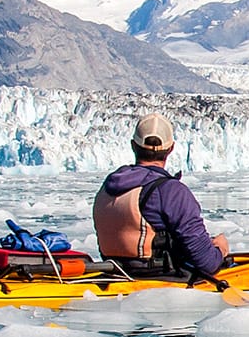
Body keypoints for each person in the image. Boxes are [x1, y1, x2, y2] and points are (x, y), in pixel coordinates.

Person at [93, 113, 229, 282]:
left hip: (116, 274)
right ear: (171, 148)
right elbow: (206, 263)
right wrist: (219, 250)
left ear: (133, 146)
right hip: (160, 279)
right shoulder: (171, 191)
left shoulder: (108, 185)